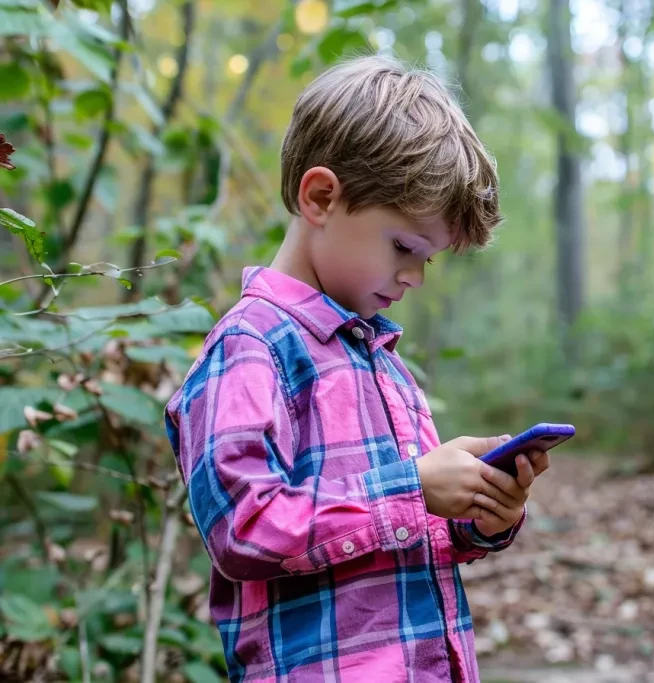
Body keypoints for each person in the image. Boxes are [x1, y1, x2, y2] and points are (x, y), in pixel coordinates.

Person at [164, 55, 550, 683]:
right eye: (404, 247)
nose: (414, 276)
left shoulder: (383, 363)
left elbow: (409, 535)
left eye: (429, 258)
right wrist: (410, 488)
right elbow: (241, 528)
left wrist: (480, 516)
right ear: (321, 197)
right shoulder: (249, 347)